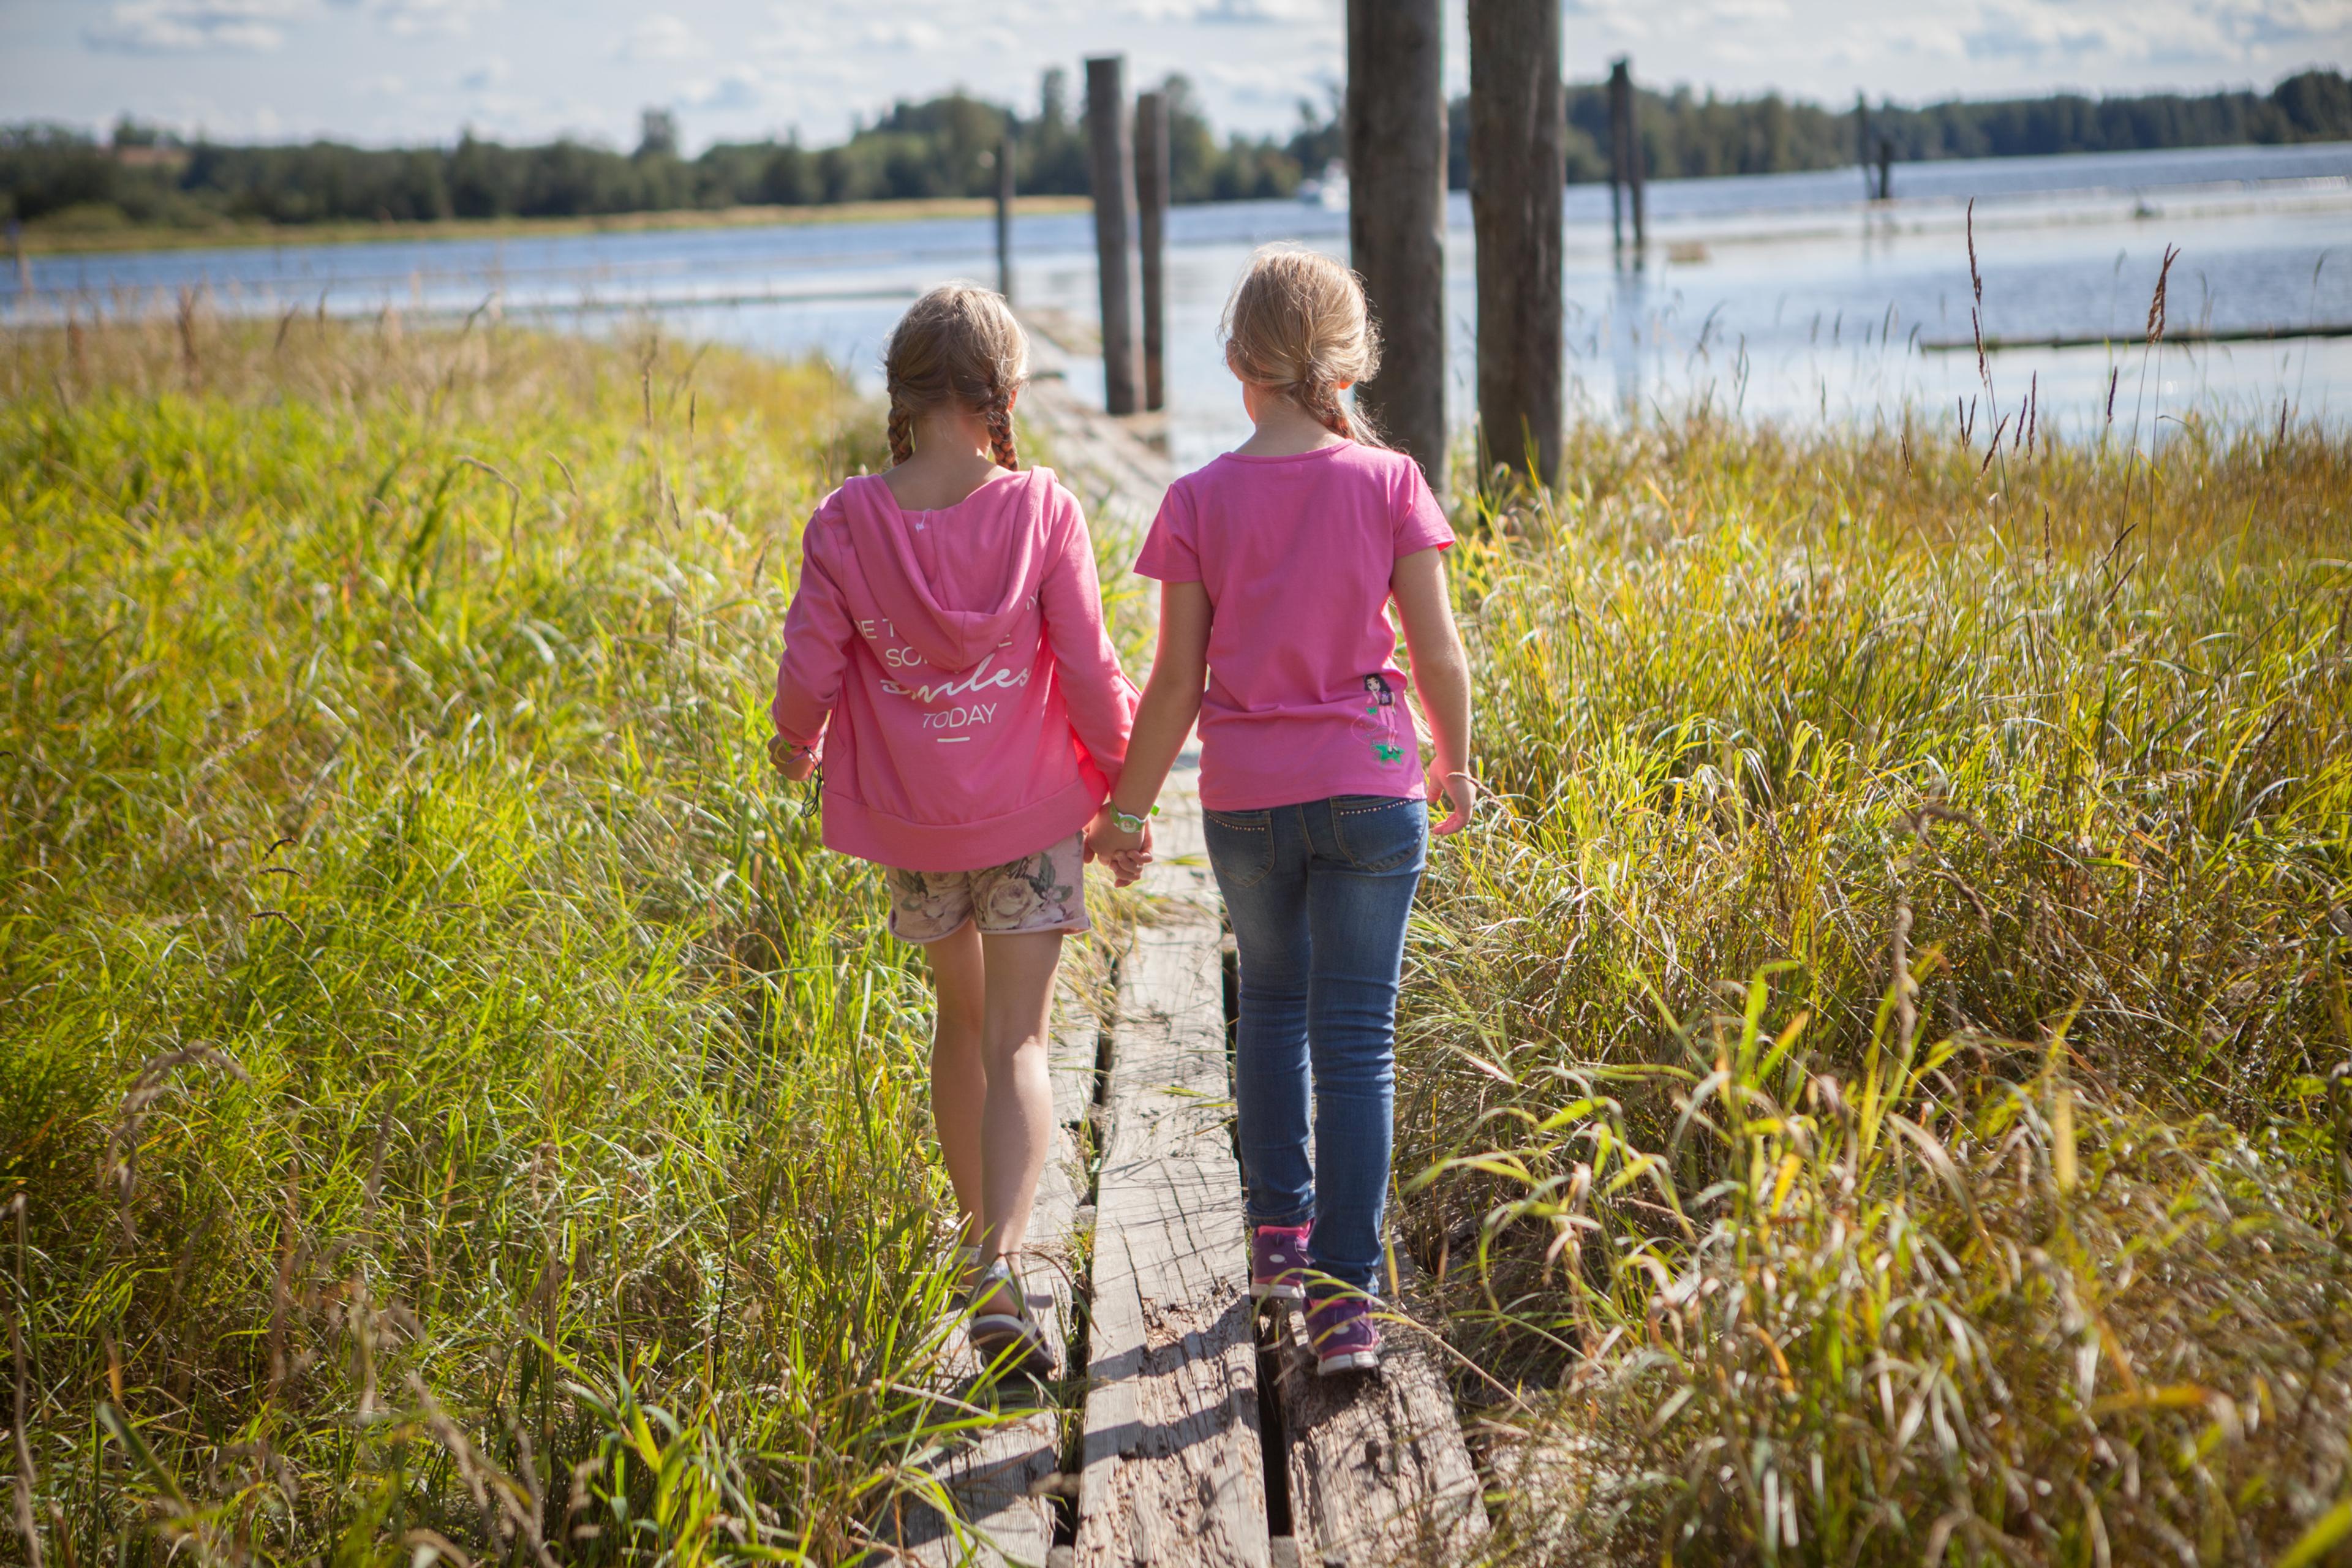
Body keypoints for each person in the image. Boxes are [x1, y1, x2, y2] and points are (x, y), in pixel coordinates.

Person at [1089, 246, 1475, 1375]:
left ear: (1235, 363)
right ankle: (1344, 1306)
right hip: (1371, 788)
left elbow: (1173, 685)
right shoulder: (1391, 481)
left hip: (1251, 801)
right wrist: (1453, 765)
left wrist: (1122, 810)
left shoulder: (1201, 497)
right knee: (1358, 1042)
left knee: (1270, 1007)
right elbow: (1439, 655)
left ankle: (1276, 1242)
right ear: (1349, 362)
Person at [770, 284, 1138, 1376]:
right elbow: (1088, 668)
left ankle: (981, 1253)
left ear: (901, 392)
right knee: (1023, 1040)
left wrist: (796, 746)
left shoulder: (845, 521)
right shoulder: (1042, 510)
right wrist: (1122, 796)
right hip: (1028, 815)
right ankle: (999, 1265)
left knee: (959, 1027)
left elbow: (806, 669)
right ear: (1006, 394)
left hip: (914, 825)